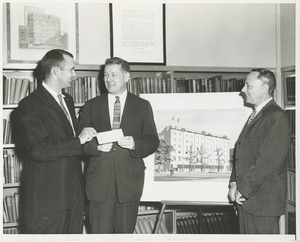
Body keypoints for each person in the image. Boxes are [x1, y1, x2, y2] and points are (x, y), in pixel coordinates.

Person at [16, 49, 97, 233]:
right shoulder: (30, 105)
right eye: (72, 69)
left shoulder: (67, 99)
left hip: (73, 196)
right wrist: (79, 140)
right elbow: (39, 150)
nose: (75, 75)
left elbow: (69, 143)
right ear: (56, 71)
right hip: (48, 201)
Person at [78, 57, 159, 233]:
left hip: (129, 184)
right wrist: (95, 147)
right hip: (99, 184)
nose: (108, 79)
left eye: (114, 75)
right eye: (106, 75)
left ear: (127, 77)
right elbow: (80, 142)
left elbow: (153, 141)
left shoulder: (142, 106)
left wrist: (135, 144)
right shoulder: (91, 106)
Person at [227, 68, 290, 234]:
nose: (243, 90)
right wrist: (234, 183)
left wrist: (243, 189)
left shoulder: (276, 116)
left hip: (262, 203)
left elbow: (267, 161)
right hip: (247, 199)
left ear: (264, 88)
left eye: (248, 86)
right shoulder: (256, 114)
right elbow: (241, 154)